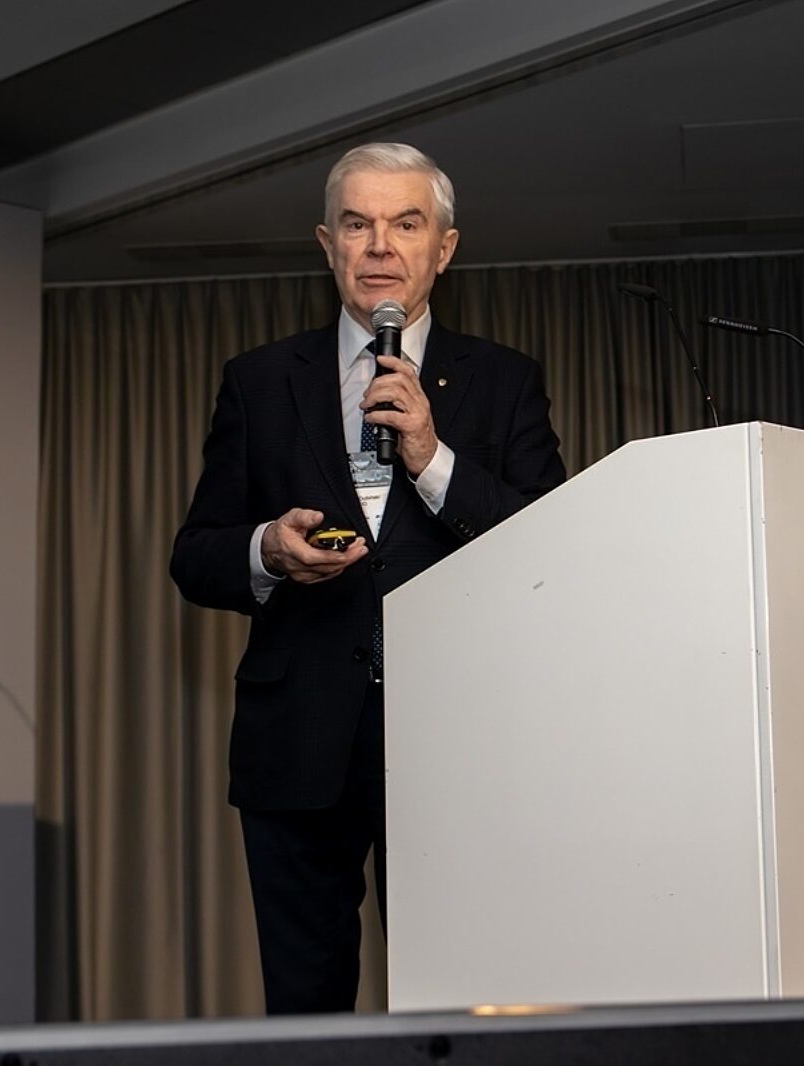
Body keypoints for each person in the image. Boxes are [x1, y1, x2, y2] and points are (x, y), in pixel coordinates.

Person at [170, 142, 565, 1013]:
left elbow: (551, 547)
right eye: (357, 224)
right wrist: (267, 549)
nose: (380, 245)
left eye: (405, 224)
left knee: (455, 1002)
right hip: (298, 742)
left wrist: (431, 458)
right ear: (327, 244)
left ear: (444, 249)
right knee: (305, 1011)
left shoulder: (505, 382)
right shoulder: (260, 381)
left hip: (456, 744)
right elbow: (195, 554)